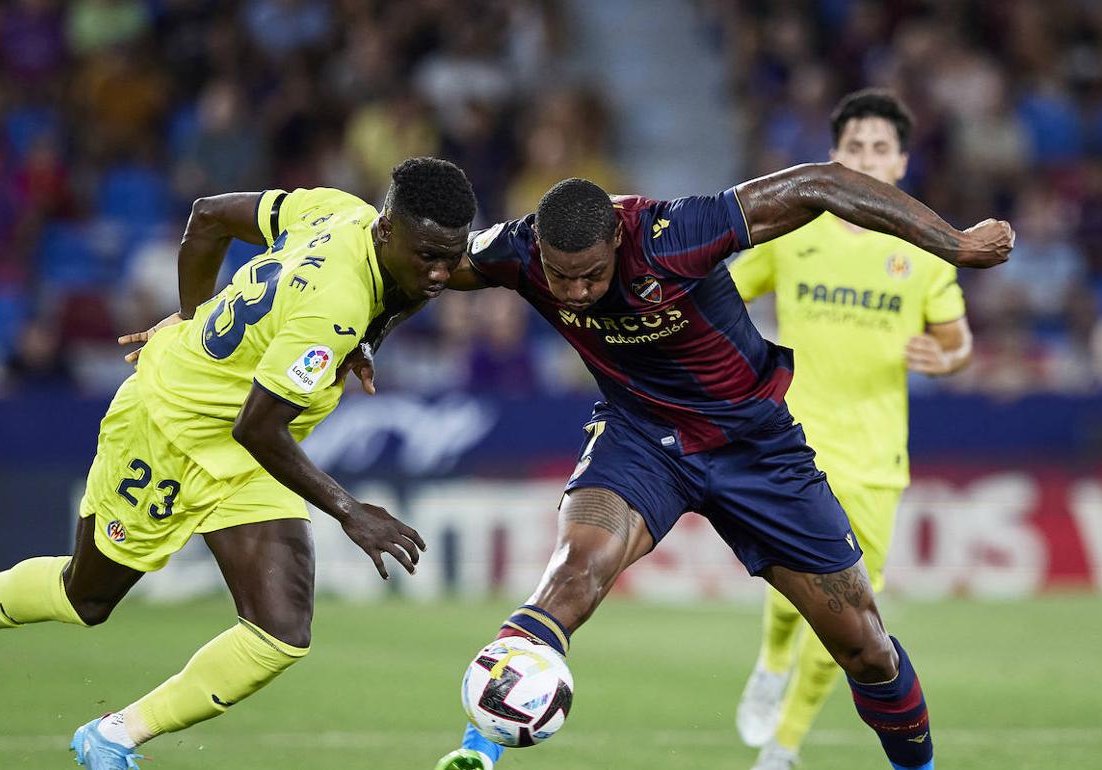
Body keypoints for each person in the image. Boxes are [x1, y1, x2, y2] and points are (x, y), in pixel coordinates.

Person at [393, 160, 1010, 770]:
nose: (577, 292)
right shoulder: (519, 249)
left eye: (591, 275)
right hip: (640, 438)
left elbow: (824, 183)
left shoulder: (675, 234)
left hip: (756, 448)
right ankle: (479, 750)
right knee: (575, 570)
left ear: (616, 236)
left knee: (867, 649)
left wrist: (949, 243)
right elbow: (422, 268)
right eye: (561, 278)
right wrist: (367, 336)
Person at [0, 157, 477, 769]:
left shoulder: (338, 210)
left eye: (453, 256)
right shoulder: (332, 307)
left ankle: (115, 738)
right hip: (168, 425)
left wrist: (197, 319)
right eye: (428, 256)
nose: (442, 272)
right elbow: (259, 424)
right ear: (388, 230)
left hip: (242, 449)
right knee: (87, 600)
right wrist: (349, 511)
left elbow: (209, 218)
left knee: (281, 632)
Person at [728, 89, 974, 770]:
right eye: (854, 147)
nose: (867, 157)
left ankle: (783, 748)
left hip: (875, 458)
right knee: (796, 593)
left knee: (854, 617)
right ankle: (772, 662)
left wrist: (945, 357)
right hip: (794, 443)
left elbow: (958, 342)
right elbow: (720, 294)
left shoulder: (923, 250)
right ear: (835, 156)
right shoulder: (796, 232)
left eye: (880, 148)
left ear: (901, 162)